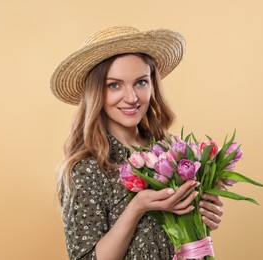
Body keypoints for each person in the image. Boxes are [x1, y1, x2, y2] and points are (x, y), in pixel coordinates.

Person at [50, 26, 223, 260]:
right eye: (114, 85)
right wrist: (137, 207)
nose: (131, 98)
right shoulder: (87, 169)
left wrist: (203, 214)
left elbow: (184, 240)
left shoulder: (172, 153)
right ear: (95, 92)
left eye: (141, 82)